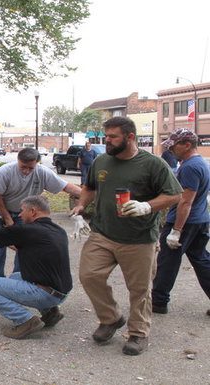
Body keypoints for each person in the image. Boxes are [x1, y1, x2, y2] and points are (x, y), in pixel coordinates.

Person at [71, 116, 182, 356]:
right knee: (89, 276)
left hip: (139, 238)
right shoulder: (101, 161)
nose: (107, 141)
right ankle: (111, 318)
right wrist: (81, 206)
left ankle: (138, 333)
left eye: (113, 137)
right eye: (106, 136)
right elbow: (89, 187)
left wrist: (147, 206)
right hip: (102, 233)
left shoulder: (152, 164)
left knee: (139, 290)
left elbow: (174, 195)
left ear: (130, 137)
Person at [0, 195, 72, 339]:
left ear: (33, 211)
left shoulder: (27, 230)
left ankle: (25, 320)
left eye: (22, 211)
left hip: (44, 294)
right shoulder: (57, 230)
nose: (20, 215)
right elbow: (26, 247)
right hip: (60, 292)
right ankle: (51, 313)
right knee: (16, 276)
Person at [0, 147, 81, 276]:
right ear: (18, 161)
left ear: (37, 163)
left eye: (31, 168)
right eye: (23, 167)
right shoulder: (5, 171)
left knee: (24, 246)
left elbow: (65, 187)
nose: (26, 171)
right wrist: (7, 217)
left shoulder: (43, 172)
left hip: (24, 213)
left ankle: (19, 278)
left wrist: (87, 196)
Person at [152, 128, 210, 314]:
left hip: (184, 222)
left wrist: (176, 231)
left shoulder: (190, 167)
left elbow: (186, 201)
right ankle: (159, 300)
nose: (171, 150)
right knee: (201, 260)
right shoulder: (200, 163)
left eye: (174, 145)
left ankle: (158, 302)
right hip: (199, 221)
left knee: (167, 261)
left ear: (187, 145)